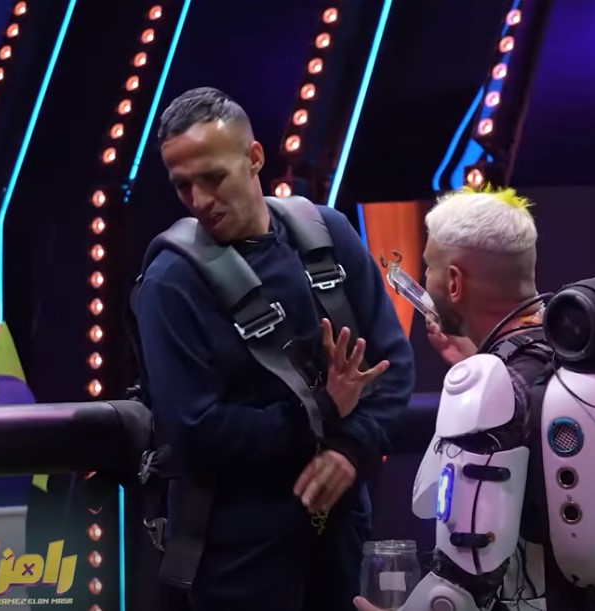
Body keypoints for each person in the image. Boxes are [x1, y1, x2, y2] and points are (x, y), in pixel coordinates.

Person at [134, 87, 415, 610]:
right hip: (237, 562)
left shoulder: (326, 235)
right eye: (183, 186)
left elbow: (392, 368)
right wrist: (322, 412)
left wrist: (350, 449)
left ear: (255, 157)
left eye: (213, 178)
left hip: (341, 540)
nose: (200, 200)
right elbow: (194, 431)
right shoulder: (171, 283)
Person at [356, 186, 547, 611]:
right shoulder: (573, 351)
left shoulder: (490, 391)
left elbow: (463, 578)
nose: (423, 281)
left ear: (455, 282)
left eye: (428, 268)